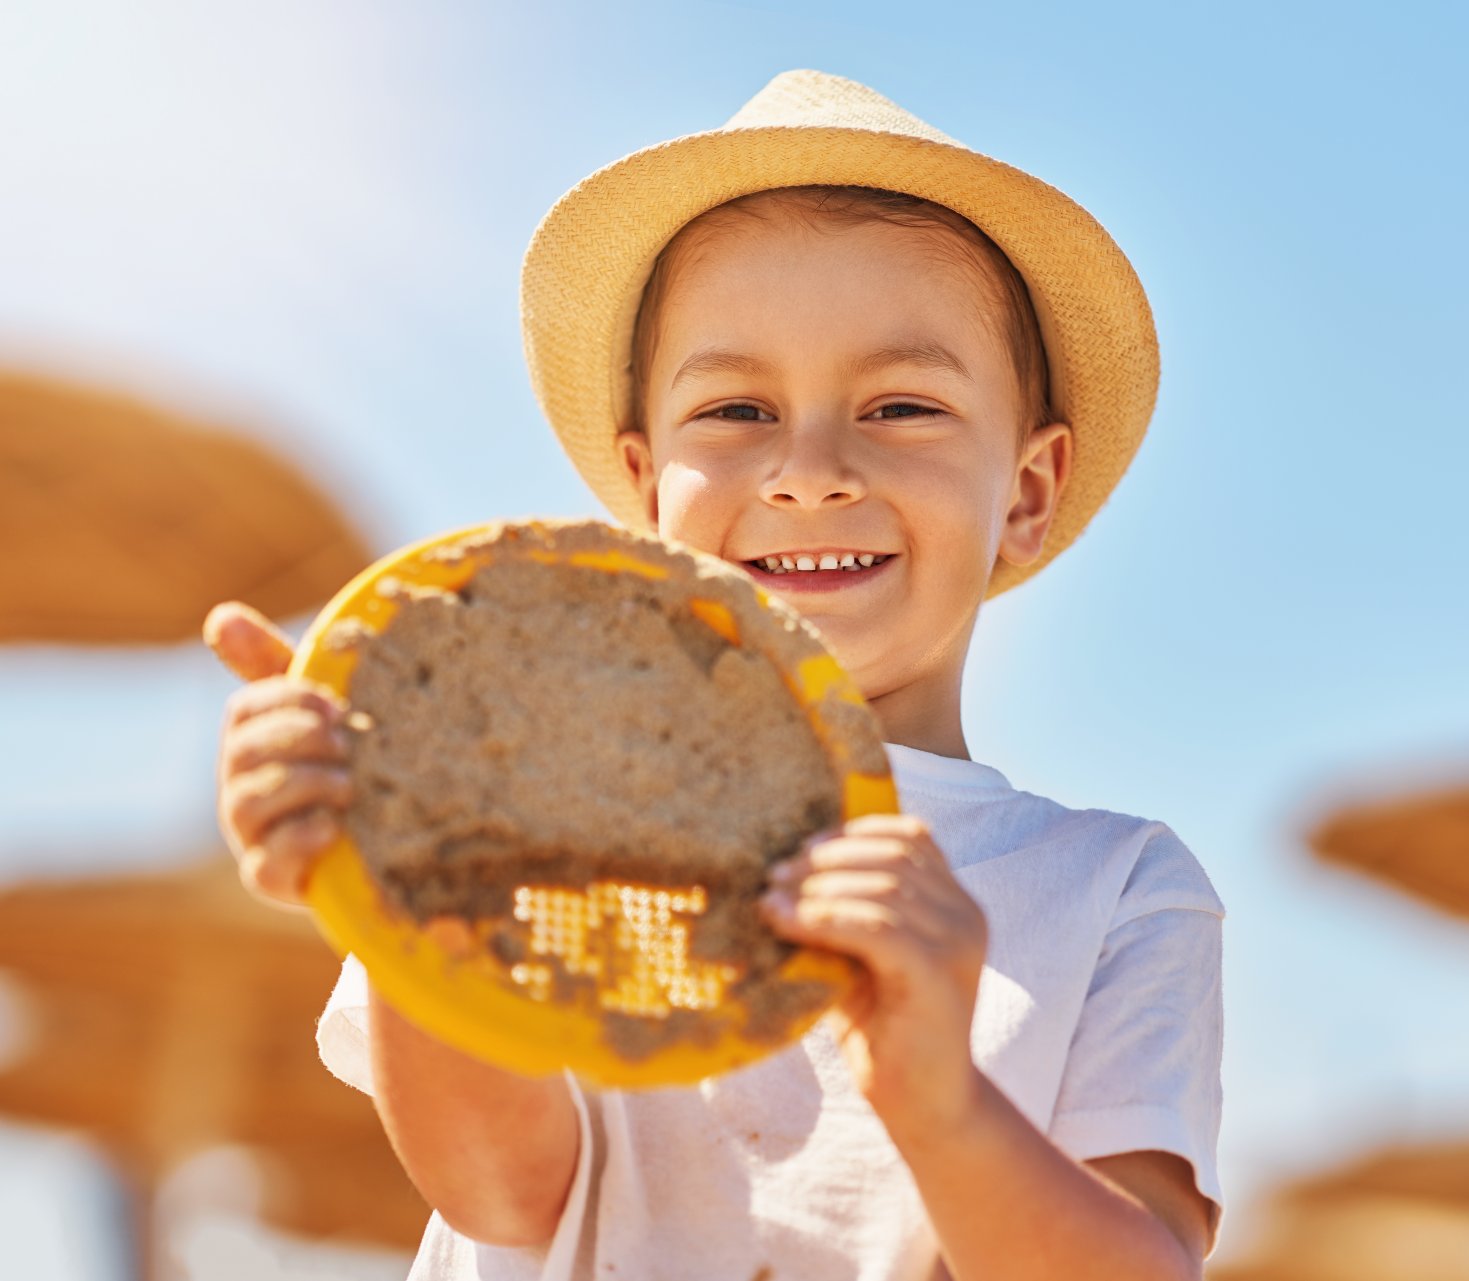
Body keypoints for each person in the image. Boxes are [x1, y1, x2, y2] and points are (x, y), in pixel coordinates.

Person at [206, 70, 1224, 1281]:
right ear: (643, 492)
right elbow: (502, 1188)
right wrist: (384, 868)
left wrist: (943, 1107)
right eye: (736, 409)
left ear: (1029, 491)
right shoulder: (525, 807)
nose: (808, 470)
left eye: (902, 405)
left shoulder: (1113, 889)